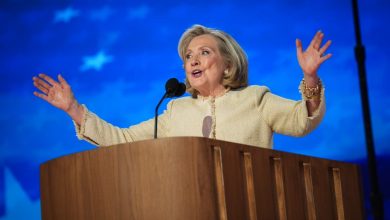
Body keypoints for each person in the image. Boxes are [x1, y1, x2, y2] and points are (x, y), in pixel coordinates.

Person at [32, 24, 331, 148]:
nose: (193, 61)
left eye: (204, 52)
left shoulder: (256, 99)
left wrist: (310, 77)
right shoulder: (176, 110)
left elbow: (300, 120)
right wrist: (73, 109)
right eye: (188, 56)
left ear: (228, 64)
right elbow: (122, 139)